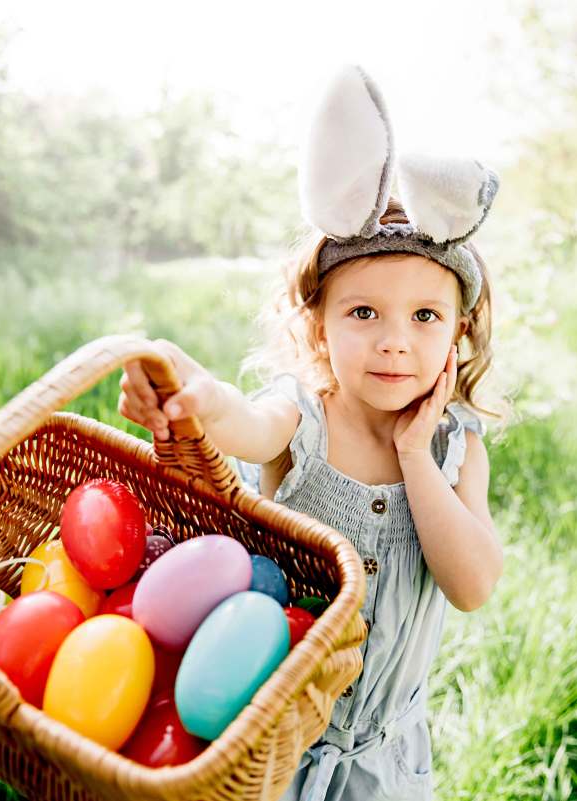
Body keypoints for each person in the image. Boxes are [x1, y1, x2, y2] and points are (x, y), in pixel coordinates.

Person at [117, 65, 504, 801]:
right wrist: (198, 395)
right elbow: (244, 423)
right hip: (272, 748)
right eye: (364, 313)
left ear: (459, 331)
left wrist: (417, 456)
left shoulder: (458, 448)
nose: (395, 341)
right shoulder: (304, 414)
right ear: (319, 329)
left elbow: (474, 583)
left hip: (385, 760)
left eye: (424, 316)